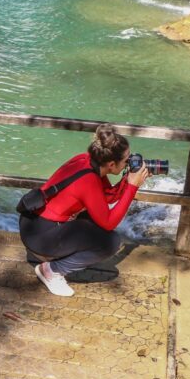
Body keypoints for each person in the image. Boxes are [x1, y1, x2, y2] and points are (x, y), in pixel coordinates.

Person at [19, 124, 150, 297]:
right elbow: (109, 223)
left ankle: (55, 257)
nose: (130, 161)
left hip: (31, 223)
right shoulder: (89, 180)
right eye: (127, 160)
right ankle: (52, 270)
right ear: (111, 164)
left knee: (96, 222)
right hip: (41, 238)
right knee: (110, 242)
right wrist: (132, 187)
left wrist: (128, 178)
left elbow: (108, 196)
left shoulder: (86, 160)